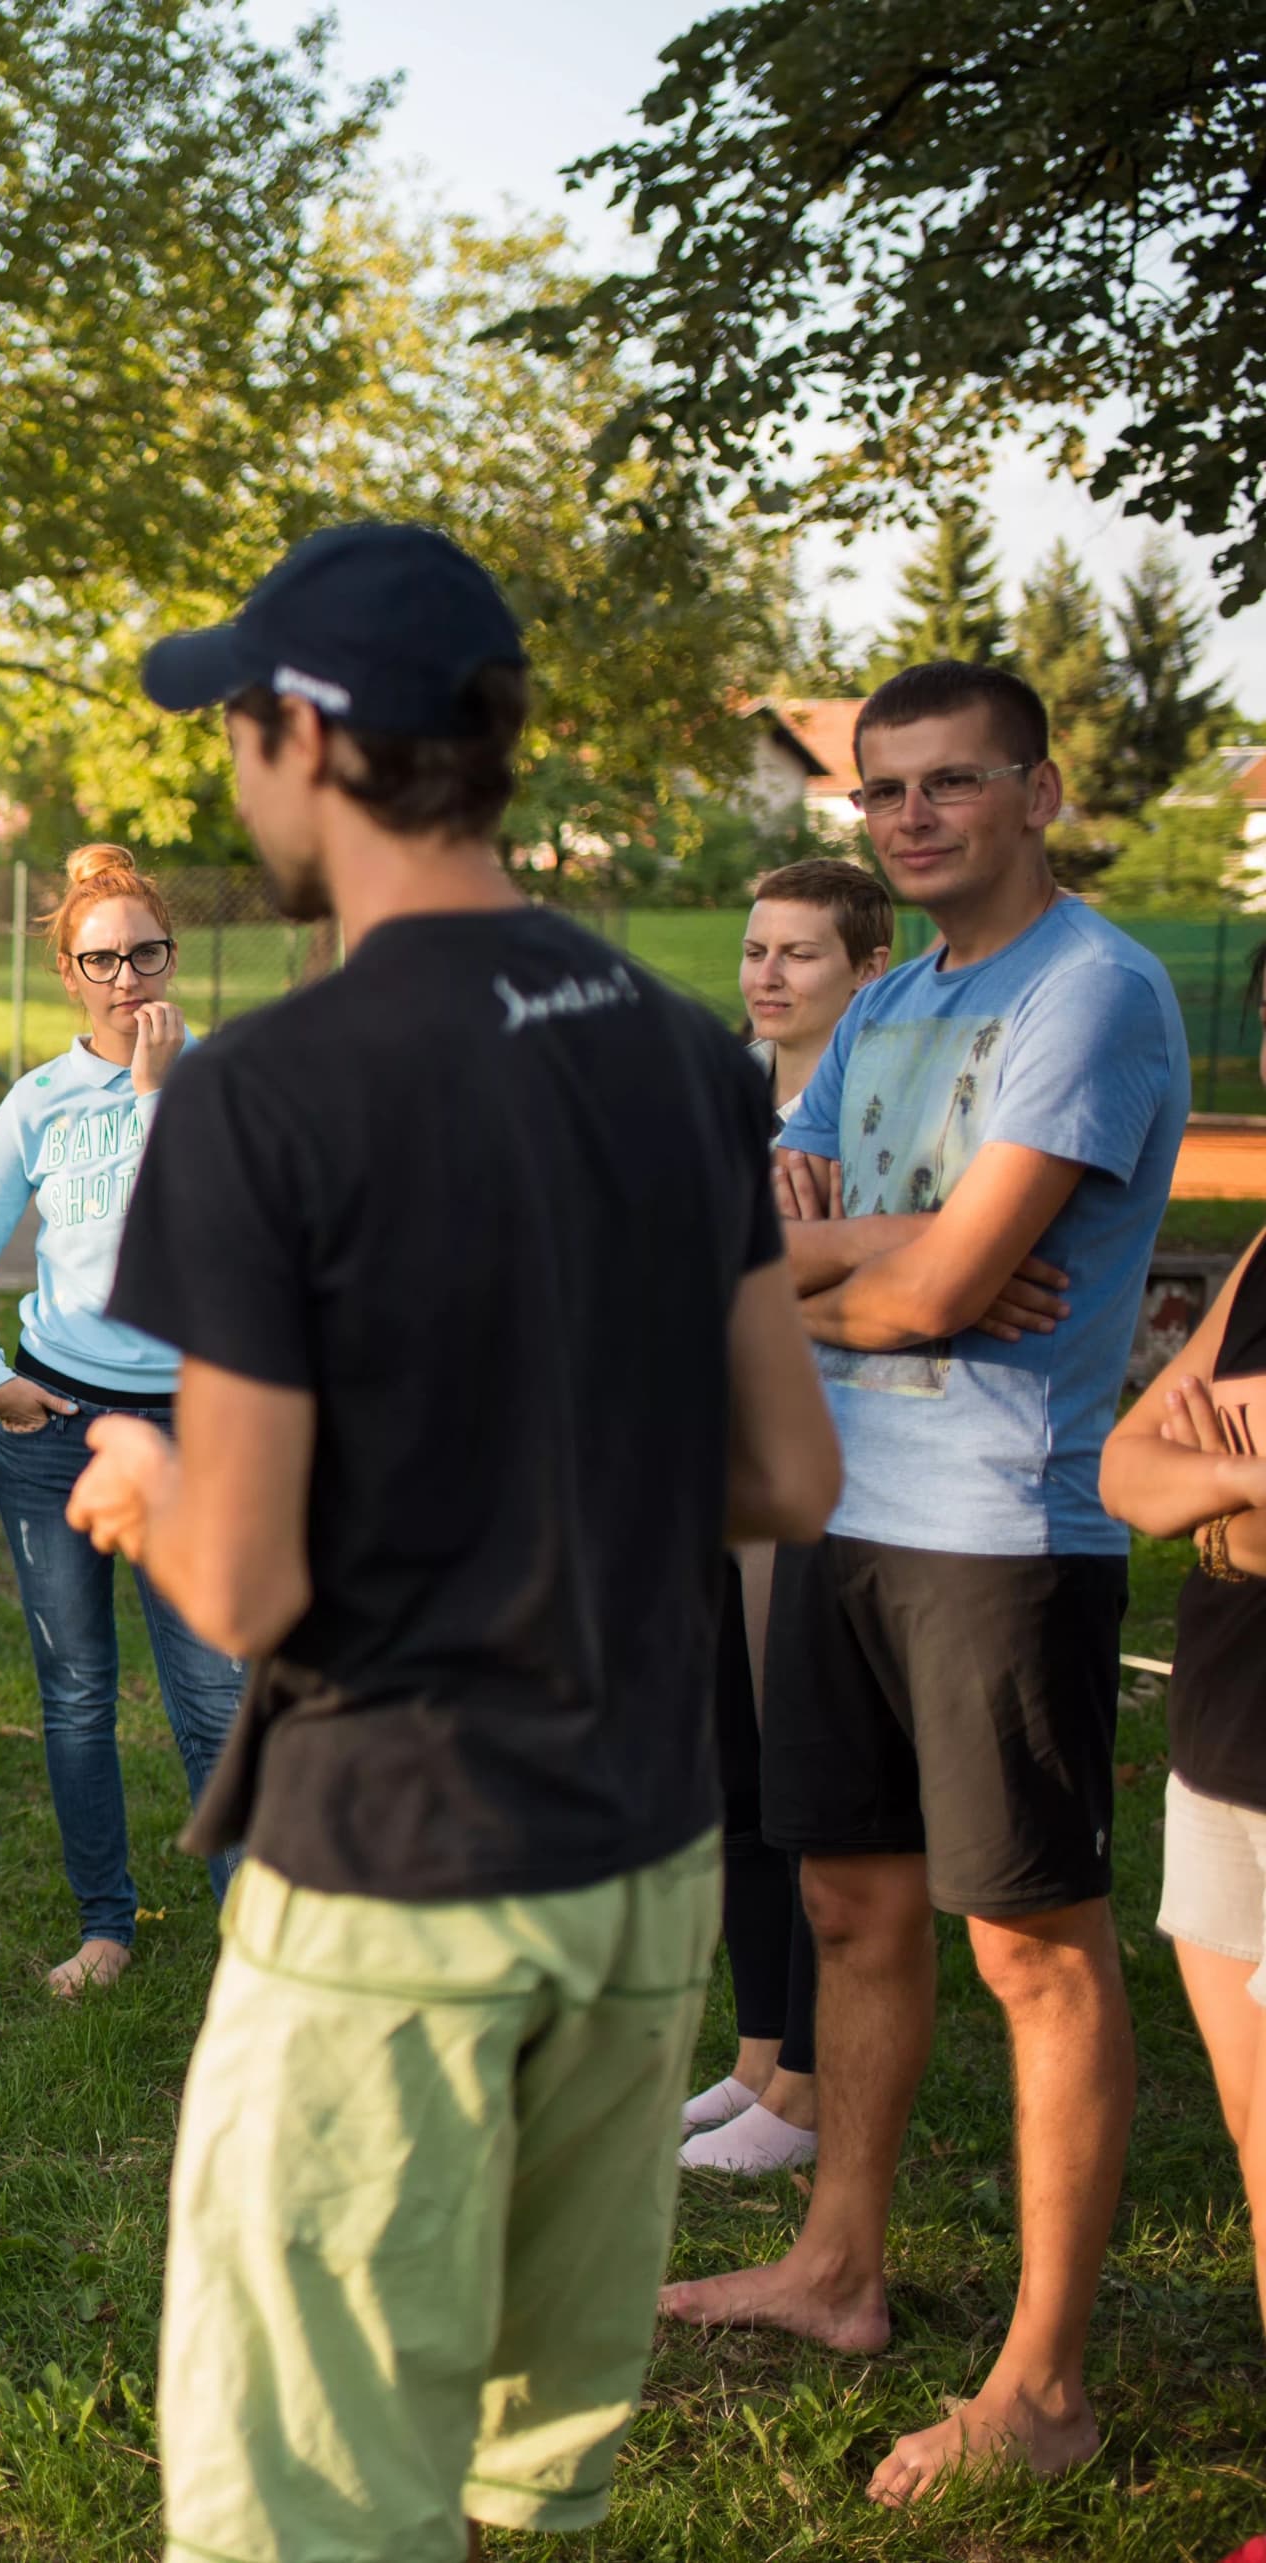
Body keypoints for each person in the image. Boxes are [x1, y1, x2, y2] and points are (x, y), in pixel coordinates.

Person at [62, 522, 840, 2563]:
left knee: (313, 2503)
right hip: (645, 1863)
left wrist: (144, 1488)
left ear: (312, 734)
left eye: (236, 725)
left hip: (397, 1875)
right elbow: (787, 1471)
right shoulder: (684, 1050)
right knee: (525, 2477)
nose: (230, 773)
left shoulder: (271, 1087)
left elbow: (244, 1586)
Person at [663, 660, 1187, 2505]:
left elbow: (951, 1293)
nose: (911, 816)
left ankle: (1043, 2383)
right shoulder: (889, 998)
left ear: (1038, 792)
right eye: (885, 791)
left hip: (1001, 1532)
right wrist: (898, 1257)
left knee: (1032, 1947)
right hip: (847, 1511)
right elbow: (769, 1248)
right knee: (853, 1907)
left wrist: (873, 1270)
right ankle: (838, 2266)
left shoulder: (1096, 991)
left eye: (953, 784)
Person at [0, 842, 244, 2001]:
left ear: (174, 955)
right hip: (55, 1421)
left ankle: (252, 1944)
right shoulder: (38, 1103)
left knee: (214, 1697)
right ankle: (105, 1922)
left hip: (187, 1429)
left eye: (145, 953)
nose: (128, 978)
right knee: (75, 1694)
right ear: (68, 971)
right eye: (101, 959)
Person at [682, 855, 893, 2176]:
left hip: (820, 1463)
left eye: (800, 952)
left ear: (866, 970)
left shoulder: (872, 1108)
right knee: (732, 1772)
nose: (767, 973)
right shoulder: (724, 1091)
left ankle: (810, 2088)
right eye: (757, 948)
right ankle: (760, 2049)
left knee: (807, 1776)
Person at [1101, 988, 1266, 2343]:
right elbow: (1124, 1468)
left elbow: (1174, 1469)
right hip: (1225, 1708)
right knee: (1252, 2138)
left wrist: (1202, 1470)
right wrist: (1231, 1474)